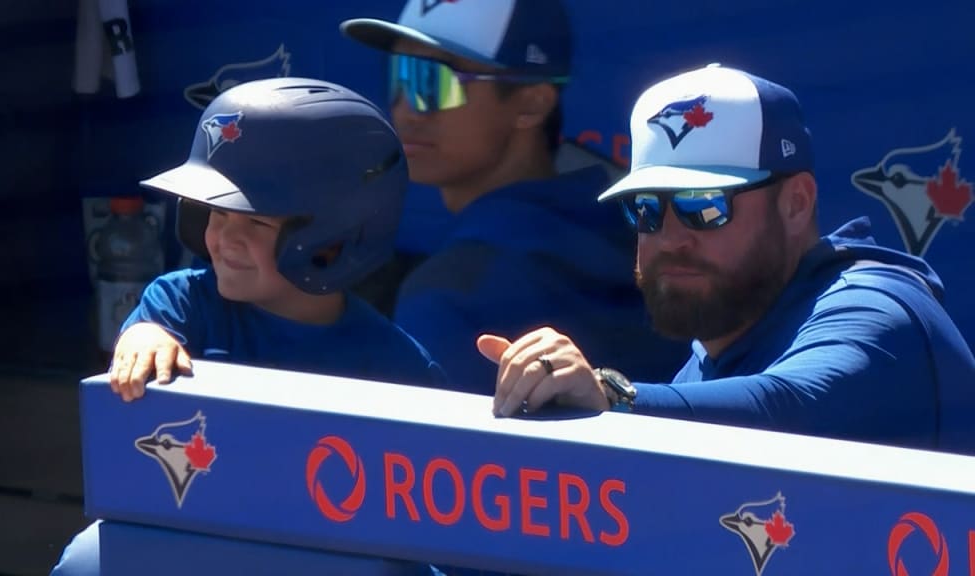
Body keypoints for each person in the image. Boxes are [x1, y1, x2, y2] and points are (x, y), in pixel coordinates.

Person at [52, 77, 444, 575]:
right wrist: (143, 337)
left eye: (256, 221)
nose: (223, 239)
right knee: (89, 561)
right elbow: (144, 343)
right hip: (198, 542)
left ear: (336, 236)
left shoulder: (399, 367)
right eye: (214, 213)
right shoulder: (182, 303)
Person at [478, 64, 975, 455]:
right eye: (646, 209)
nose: (670, 238)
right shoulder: (705, 362)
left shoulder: (878, 310)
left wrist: (613, 398)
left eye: (705, 204)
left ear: (797, 203)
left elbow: (790, 407)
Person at [340, 0, 689, 394]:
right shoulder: (637, 236)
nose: (405, 110)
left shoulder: (450, 290)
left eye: (430, 81)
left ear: (531, 103)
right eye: (398, 77)